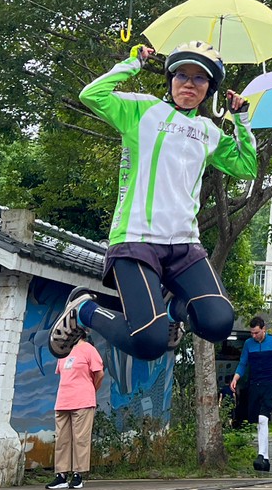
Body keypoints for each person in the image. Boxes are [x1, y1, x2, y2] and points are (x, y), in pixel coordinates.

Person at [48, 40, 256, 362]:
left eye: (200, 78)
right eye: (182, 75)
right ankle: (84, 310)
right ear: (170, 79)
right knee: (149, 343)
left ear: (210, 89)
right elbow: (91, 95)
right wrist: (132, 65)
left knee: (218, 323)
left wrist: (241, 120)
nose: (189, 83)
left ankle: (173, 309)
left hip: (184, 246)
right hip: (136, 241)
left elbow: (246, 166)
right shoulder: (141, 110)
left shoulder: (208, 132)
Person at [230, 315, 272, 472]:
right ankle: (266, 459)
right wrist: (235, 378)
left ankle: (261, 455)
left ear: (264, 330)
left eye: (256, 333)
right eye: (251, 333)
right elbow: (243, 363)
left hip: (269, 385)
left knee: (263, 418)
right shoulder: (249, 344)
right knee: (258, 420)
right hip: (254, 385)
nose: (253, 336)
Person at [47, 330, 104, 490]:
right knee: (62, 439)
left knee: (80, 438)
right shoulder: (62, 351)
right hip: (63, 401)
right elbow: (63, 375)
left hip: (83, 400)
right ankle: (61, 475)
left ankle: (78, 475)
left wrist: (91, 390)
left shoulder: (88, 349)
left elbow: (99, 373)